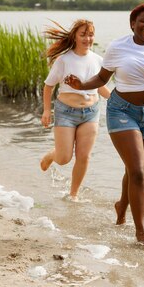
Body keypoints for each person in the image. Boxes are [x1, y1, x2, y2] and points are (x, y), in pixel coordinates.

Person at [64, 4, 144, 247]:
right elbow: (102, 79)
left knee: (135, 170)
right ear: (132, 24)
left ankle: (121, 205)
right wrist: (81, 85)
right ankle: (140, 232)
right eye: (143, 22)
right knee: (138, 171)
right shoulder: (118, 46)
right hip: (121, 111)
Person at [40, 19, 110, 201]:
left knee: (84, 156)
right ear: (75, 37)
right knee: (64, 158)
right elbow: (48, 86)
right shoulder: (64, 60)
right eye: (83, 34)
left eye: (91, 34)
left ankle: (74, 195)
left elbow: (100, 87)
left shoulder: (98, 60)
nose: (88, 38)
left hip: (91, 112)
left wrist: (118, 101)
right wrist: (47, 111)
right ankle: (52, 154)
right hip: (66, 112)